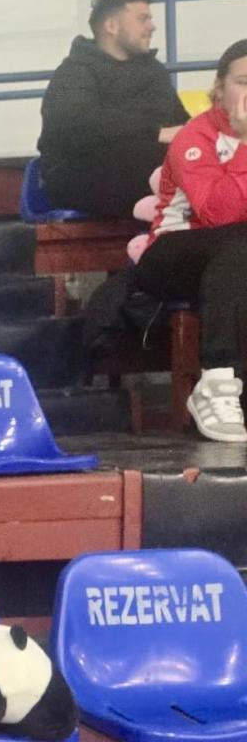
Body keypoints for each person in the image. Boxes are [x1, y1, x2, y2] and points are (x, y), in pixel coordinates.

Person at [134, 38, 247, 443]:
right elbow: (218, 214)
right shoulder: (194, 138)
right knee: (240, 240)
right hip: (172, 254)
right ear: (219, 89)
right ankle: (215, 381)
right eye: (243, 82)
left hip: (233, 263)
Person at [38, 0, 188, 218]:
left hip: (145, 167)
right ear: (111, 26)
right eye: (143, 19)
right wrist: (154, 133)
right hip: (81, 176)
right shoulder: (74, 72)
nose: (152, 27)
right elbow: (78, 125)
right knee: (152, 160)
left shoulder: (154, 71)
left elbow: (180, 122)